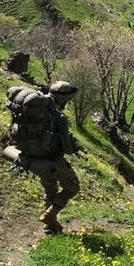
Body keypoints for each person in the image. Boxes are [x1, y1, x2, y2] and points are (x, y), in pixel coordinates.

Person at [36, 81, 81, 234]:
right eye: (67, 100)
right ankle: (49, 215)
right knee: (72, 187)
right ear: (61, 99)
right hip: (53, 160)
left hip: (35, 159)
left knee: (50, 190)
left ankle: (50, 226)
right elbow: (67, 149)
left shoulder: (36, 111)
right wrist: (72, 146)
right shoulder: (59, 118)